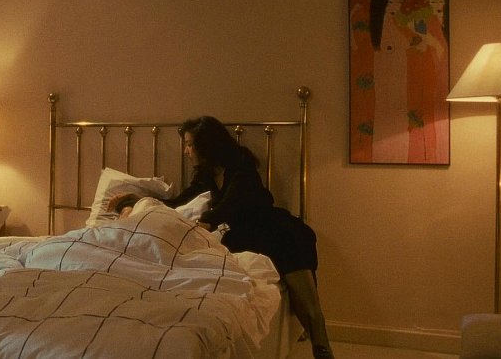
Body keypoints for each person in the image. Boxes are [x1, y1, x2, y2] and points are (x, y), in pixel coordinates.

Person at [110, 116, 335, 359]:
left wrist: (206, 221)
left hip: (271, 227)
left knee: (294, 260)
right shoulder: (206, 173)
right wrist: (137, 200)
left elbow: (231, 204)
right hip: (242, 234)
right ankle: (316, 337)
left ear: (206, 145)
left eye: (189, 144)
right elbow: (180, 201)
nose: (186, 151)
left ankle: (319, 338)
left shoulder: (241, 167)